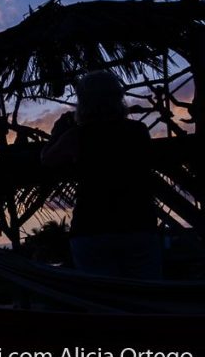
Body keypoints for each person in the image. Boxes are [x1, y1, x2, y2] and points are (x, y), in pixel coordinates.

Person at [41, 70, 161, 279]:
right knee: (145, 299)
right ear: (117, 97)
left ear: (83, 102)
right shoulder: (138, 131)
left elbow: (47, 159)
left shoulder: (76, 136)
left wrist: (59, 130)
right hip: (138, 224)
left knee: (103, 297)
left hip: (92, 227)